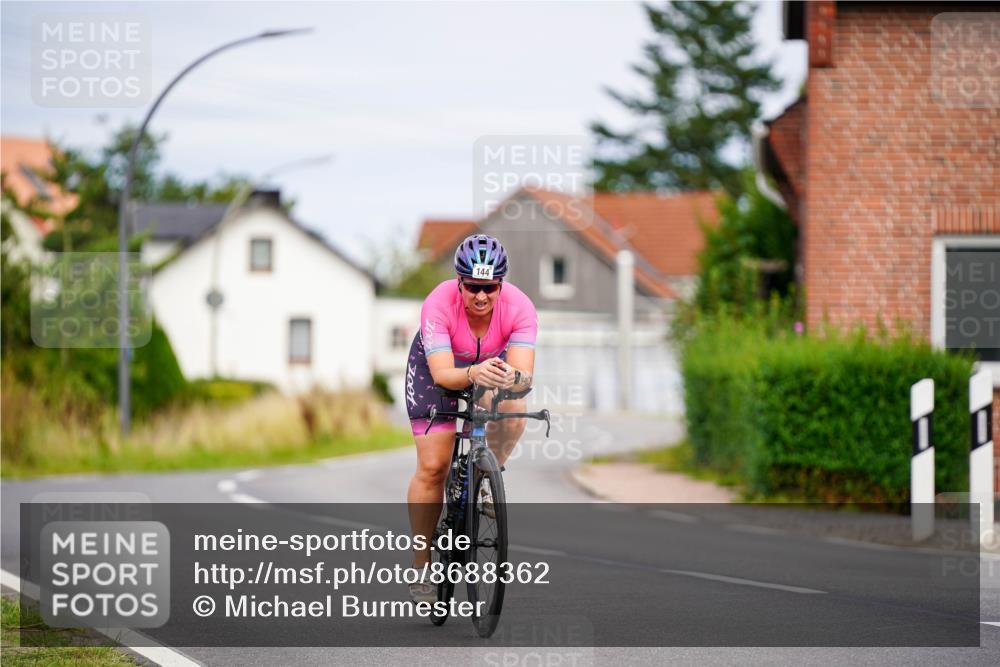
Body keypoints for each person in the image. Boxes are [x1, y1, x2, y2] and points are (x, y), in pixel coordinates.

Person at [404, 233, 536, 603]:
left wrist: (513, 379)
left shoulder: (520, 307)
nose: (481, 297)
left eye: (490, 288)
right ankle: (421, 566)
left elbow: (524, 377)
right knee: (434, 466)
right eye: (473, 287)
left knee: (514, 409)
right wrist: (473, 373)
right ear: (459, 282)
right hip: (437, 370)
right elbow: (445, 375)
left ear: (501, 285)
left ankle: (487, 476)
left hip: (489, 368)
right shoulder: (438, 304)